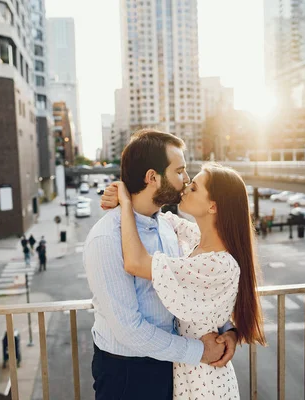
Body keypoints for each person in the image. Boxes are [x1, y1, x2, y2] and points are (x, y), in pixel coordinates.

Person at [84, 129, 239, 400]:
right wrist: (200, 352)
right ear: (152, 177)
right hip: (128, 374)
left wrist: (230, 331)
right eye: (179, 171)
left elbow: (200, 289)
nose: (186, 179)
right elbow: (129, 329)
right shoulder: (106, 237)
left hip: (171, 363)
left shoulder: (168, 226)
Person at [102, 164, 267, 398]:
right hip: (191, 372)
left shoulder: (219, 263)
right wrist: (126, 197)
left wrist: (126, 204)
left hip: (206, 381)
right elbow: (167, 220)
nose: (186, 187)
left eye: (195, 187)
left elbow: (136, 263)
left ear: (212, 206)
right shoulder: (200, 239)